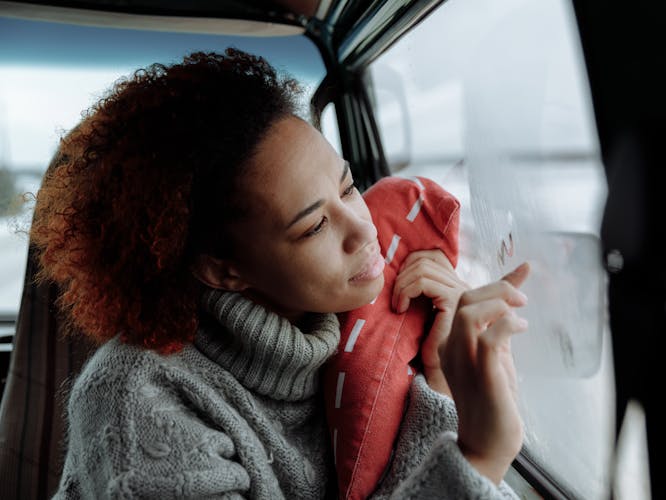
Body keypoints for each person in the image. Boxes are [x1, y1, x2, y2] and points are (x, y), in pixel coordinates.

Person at [30, 48, 531, 499]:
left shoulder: (364, 340)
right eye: (314, 226)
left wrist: (440, 380)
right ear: (223, 269)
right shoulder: (137, 396)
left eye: (350, 186)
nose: (363, 230)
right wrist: (479, 460)